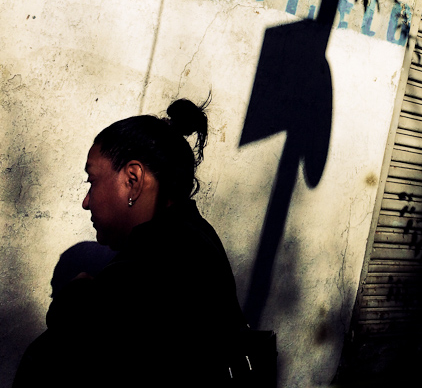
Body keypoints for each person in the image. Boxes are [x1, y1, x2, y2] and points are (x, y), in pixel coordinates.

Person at [14, 98, 247, 387]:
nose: (86, 202)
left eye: (92, 181)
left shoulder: (156, 264)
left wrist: (73, 299)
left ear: (133, 180)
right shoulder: (189, 238)